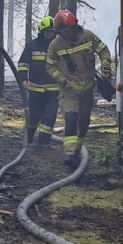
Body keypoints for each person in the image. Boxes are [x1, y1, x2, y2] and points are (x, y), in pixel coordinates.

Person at [45, 9, 113, 168]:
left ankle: (77, 148)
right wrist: (61, 79)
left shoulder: (88, 37)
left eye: (68, 30)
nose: (66, 34)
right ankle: (69, 154)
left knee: (83, 121)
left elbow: (103, 50)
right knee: (70, 119)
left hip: (88, 88)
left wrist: (106, 67)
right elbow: (49, 65)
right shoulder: (55, 45)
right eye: (62, 32)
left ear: (75, 26)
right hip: (69, 90)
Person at [17, 16, 59, 147]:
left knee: (49, 117)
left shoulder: (59, 46)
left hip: (54, 91)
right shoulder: (32, 46)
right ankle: (28, 139)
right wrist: (24, 78)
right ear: (41, 31)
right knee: (33, 117)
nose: (50, 34)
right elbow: (23, 64)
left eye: (52, 31)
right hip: (35, 90)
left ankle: (43, 142)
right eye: (47, 31)